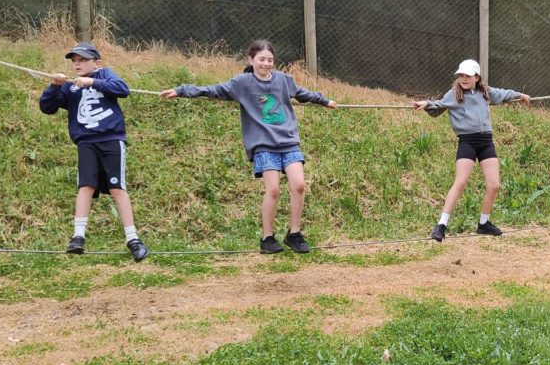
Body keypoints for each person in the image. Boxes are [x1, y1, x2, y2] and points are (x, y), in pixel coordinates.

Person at [161, 39, 336, 253]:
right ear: (251, 60)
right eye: (261, 59)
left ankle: (294, 233)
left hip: (288, 141)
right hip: (263, 144)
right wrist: (182, 90)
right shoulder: (242, 83)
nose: (266, 64)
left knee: (299, 184)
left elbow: (301, 93)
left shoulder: (283, 80)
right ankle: (267, 239)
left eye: (270, 60)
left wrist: (324, 100)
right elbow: (214, 90)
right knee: (273, 190)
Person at [39, 42, 150, 262]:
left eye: (82, 60)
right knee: (85, 186)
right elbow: (47, 107)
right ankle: (78, 237)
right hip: (86, 142)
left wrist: (93, 82)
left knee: (117, 187)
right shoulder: (70, 87)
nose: (77, 65)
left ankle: (133, 239)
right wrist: (53, 86)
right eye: (75, 61)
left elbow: (123, 89)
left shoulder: (105, 75)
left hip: (111, 139)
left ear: (96, 62)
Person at [412, 59, 530, 242]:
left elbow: (503, 94)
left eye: (468, 75)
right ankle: (441, 225)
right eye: (461, 75)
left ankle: (484, 224)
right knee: (460, 182)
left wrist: (519, 94)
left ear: (477, 77)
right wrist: (426, 104)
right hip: (467, 141)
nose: (464, 78)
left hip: (486, 142)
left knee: (494, 184)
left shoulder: (485, 92)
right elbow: (438, 105)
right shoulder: (453, 94)